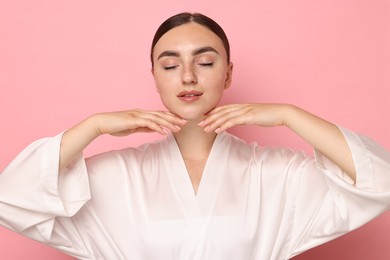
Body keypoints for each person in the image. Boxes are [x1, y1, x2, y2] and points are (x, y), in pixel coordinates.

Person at [0, 12, 389, 260]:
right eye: (170, 65)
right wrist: (92, 126)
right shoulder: (118, 175)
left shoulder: (275, 173)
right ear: (154, 78)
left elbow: (380, 182)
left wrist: (290, 115)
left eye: (204, 62)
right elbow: (10, 200)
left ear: (229, 74)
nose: (188, 76)